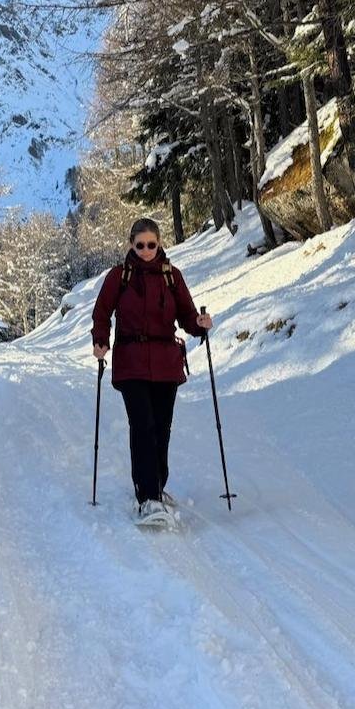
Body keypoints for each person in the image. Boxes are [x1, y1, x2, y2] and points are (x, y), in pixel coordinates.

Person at [91, 218, 213, 525]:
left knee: (162, 428)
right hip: (131, 361)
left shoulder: (172, 277)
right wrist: (100, 341)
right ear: (131, 245)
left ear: (159, 244)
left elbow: (186, 313)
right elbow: (102, 312)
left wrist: (198, 325)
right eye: (140, 245)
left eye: (151, 244)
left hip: (165, 363)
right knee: (143, 426)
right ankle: (147, 497)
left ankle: (156, 486)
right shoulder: (119, 276)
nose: (146, 250)